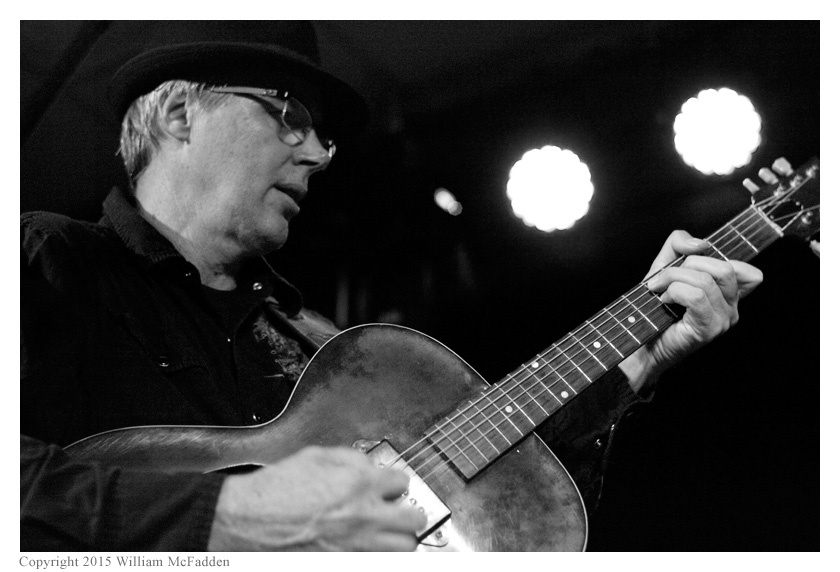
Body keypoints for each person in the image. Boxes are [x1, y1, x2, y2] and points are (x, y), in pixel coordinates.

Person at [20, 21, 763, 552]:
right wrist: (225, 510)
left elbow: (506, 521)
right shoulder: (48, 255)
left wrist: (634, 365)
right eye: (290, 115)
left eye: (323, 136)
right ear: (183, 114)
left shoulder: (321, 346)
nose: (318, 153)